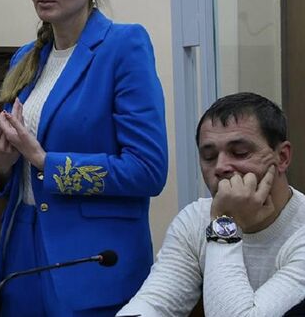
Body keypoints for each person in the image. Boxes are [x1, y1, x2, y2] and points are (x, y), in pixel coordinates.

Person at [0, 0, 168, 316]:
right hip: (23, 249)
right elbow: (19, 178)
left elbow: (148, 171)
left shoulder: (123, 46)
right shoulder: (25, 58)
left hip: (94, 260)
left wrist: (45, 162)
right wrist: (0, 165)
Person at [118, 92, 305, 317]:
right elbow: (152, 305)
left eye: (240, 153)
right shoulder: (194, 220)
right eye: (209, 157)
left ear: (282, 157)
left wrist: (224, 223)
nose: (221, 167)